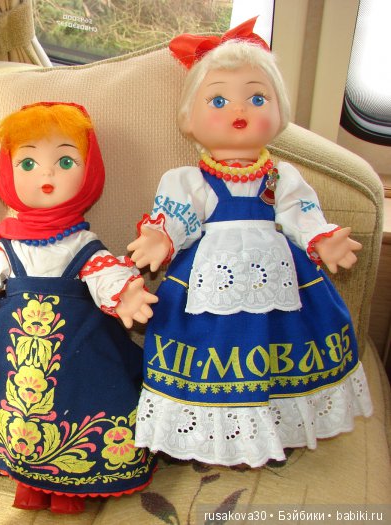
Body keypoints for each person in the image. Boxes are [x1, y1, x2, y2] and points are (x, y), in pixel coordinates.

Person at [128, 18, 373, 468]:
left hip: (279, 278)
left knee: (278, 349)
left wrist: (322, 239)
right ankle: (205, 429)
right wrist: (160, 237)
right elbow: (178, 217)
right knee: (211, 351)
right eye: (218, 100)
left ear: (279, 114)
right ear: (189, 119)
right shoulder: (188, 180)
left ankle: (277, 426)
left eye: (258, 98)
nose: (238, 109)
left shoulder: (281, 177)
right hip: (207, 282)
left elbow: (301, 214)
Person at [0, 102, 157, 513]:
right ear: (7, 173)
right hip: (10, 343)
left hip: (76, 345)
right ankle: (25, 479)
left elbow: (104, 273)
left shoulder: (83, 243)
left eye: (65, 161)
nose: (46, 175)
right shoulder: (5, 241)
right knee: (14, 411)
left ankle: (67, 486)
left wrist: (126, 294)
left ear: (89, 173)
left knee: (78, 400)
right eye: (27, 163)